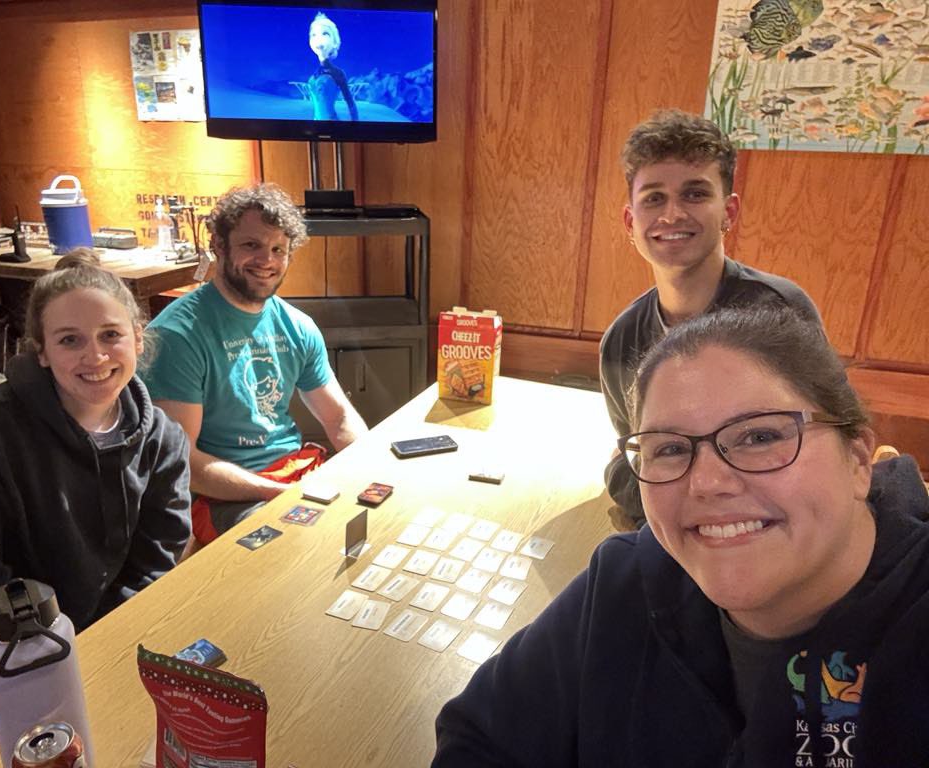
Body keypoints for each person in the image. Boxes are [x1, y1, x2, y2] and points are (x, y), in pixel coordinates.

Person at [433, 305, 929, 766]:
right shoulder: (626, 580)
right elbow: (478, 741)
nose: (708, 483)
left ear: (859, 459)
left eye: (760, 436)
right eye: (670, 448)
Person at [0, 249, 191, 726]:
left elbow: (154, 561)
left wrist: (106, 641)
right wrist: (68, 653)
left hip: (87, 627)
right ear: (41, 350)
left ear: (138, 340)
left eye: (111, 336)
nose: (95, 356)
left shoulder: (162, 438)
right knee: (59, 726)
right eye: (69, 340)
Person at [601, 109, 821, 529]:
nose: (672, 215)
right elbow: (642, 466)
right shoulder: (620, 341)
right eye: (653, 198)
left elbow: (818, 455)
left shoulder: (781, 314)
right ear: (631, 221)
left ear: (729, 212)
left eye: (695, 193)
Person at [143, 183, 367, 546]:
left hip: (291, 474)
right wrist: (276, 493)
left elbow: (338, 418)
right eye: (251, 245)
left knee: (374, 519)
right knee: (297, 547)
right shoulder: (177, 336)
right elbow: (184, 464)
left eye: (278, 248)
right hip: (222, 496)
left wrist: (367, 468)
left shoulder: (297, 326)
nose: (267, 260)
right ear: (218, 245)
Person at [307, 11, 359, 121]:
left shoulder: (337, 73)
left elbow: (350, 103)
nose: (318, 39)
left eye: (325, 33)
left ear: (335, 42)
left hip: (333, 126)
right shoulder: (316, 72)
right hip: (315, 127)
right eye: (313, 35)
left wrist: (356, 128)